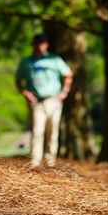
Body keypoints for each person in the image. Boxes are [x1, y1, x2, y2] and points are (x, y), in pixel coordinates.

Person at [15, 34, 72, 168]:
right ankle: (34, 162)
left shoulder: (55, 60)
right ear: (33, 45)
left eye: (42, 43)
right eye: (38, 43)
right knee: (37, 131)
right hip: (37, 101)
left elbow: (68, 75)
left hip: (53, 100)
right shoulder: (26, 62)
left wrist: (64, 92)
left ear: (46, 44)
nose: (40, 46)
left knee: (52, 132)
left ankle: (50, 162)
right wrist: (25, 93)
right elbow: (18, 81)